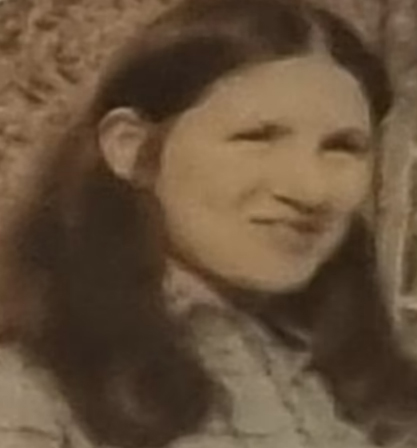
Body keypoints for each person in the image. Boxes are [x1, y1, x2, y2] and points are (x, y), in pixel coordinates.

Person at [0, 0, 417, 446]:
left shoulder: (362, 383)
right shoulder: (33, 390)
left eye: (343, 147)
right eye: (257, 137)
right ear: (131, 149)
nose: (310, 189)